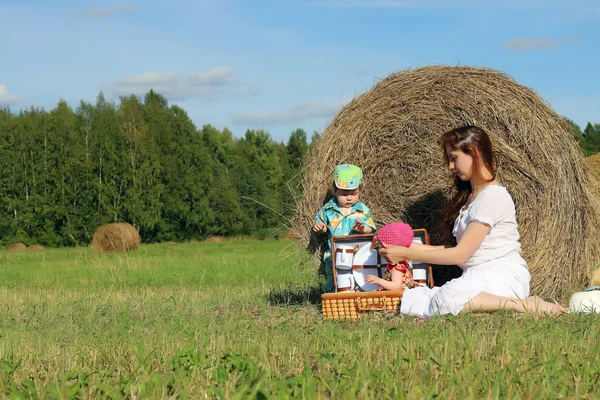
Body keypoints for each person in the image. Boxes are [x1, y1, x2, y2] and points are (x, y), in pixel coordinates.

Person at [379, 125, 566, 318]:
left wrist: (406, 253)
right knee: (416, 299)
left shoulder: (493, 196)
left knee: (444, 300)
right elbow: (456, 249)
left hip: (502, 276)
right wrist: (406, 248)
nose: (450, 167)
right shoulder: (472, 198)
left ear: (474, 153)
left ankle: (523, 304)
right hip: (477, 277)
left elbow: (460, 255)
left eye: (454, 158)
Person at [313, 164, 376, 292]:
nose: (349, 197)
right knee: (334, 284)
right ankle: (333, 304)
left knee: (359, 283)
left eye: (354, 193)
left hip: (358, 257)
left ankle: (355, 305)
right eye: (344, 194)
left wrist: (364, 229)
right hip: (334, 257)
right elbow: (324, 227)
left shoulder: (363, 210)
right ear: (335, 191)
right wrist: (321, 228)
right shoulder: (327, 210)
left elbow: (372, 230)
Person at [365, 222, 418, 291]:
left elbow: (396, 286)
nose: (379, 250)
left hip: (399, 297)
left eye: (380, 246)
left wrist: (379, 281)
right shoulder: (405, 260)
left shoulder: (396, 267)